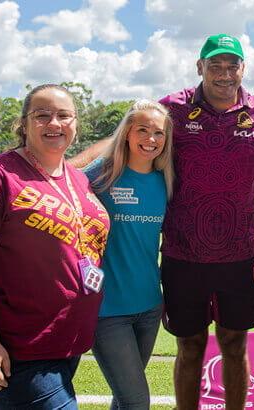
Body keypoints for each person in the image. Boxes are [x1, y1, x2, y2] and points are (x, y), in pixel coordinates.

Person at [68, 34, 254, 409]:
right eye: (215, 65)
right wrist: (58, 172)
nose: (225, 73)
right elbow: (121, 140)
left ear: (243, 69)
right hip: (182, 254)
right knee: (189, 348)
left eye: (232, 65)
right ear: (200, 68)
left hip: (238, 256)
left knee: (234, 345)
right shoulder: (172, 108)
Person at [0, 84, 110, 409]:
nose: (54, 123)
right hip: (18, 348)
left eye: (64, 115)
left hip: (66, 340)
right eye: (42, 115)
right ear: (23, 123)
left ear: (76, 123)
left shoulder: (76, 179)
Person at [83, 99, 174, 409]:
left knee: (123, 400)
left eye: (159, 133)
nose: (151, 139)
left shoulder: (167, 181)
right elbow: (58, 185)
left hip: (149, 306)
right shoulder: (101, 176)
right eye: (142, 130)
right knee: (136, 402)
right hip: (108, 310)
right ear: (126, 133)